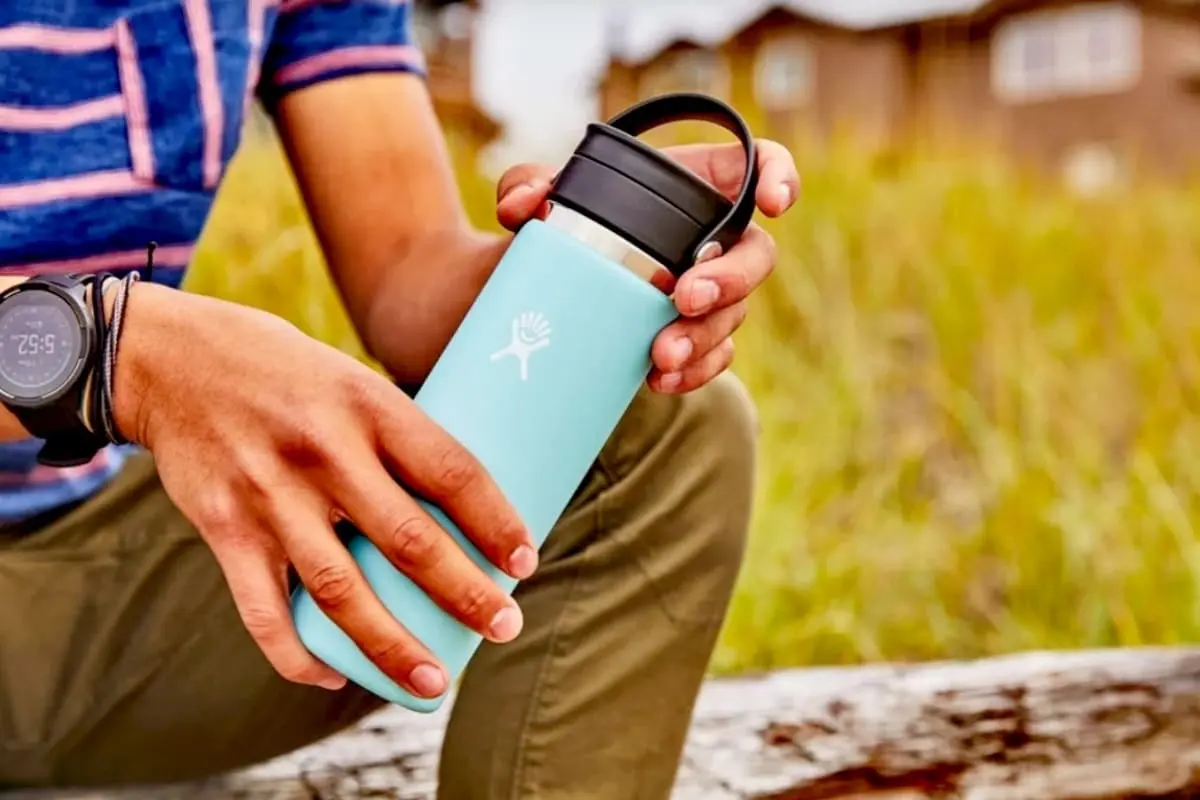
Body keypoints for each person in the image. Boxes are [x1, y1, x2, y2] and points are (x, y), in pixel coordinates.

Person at [0, 1, 798, 798]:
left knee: (661, 426)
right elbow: (139, 360)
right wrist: (127, 354)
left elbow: (406, 270)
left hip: (87, 576)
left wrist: (569, 275)